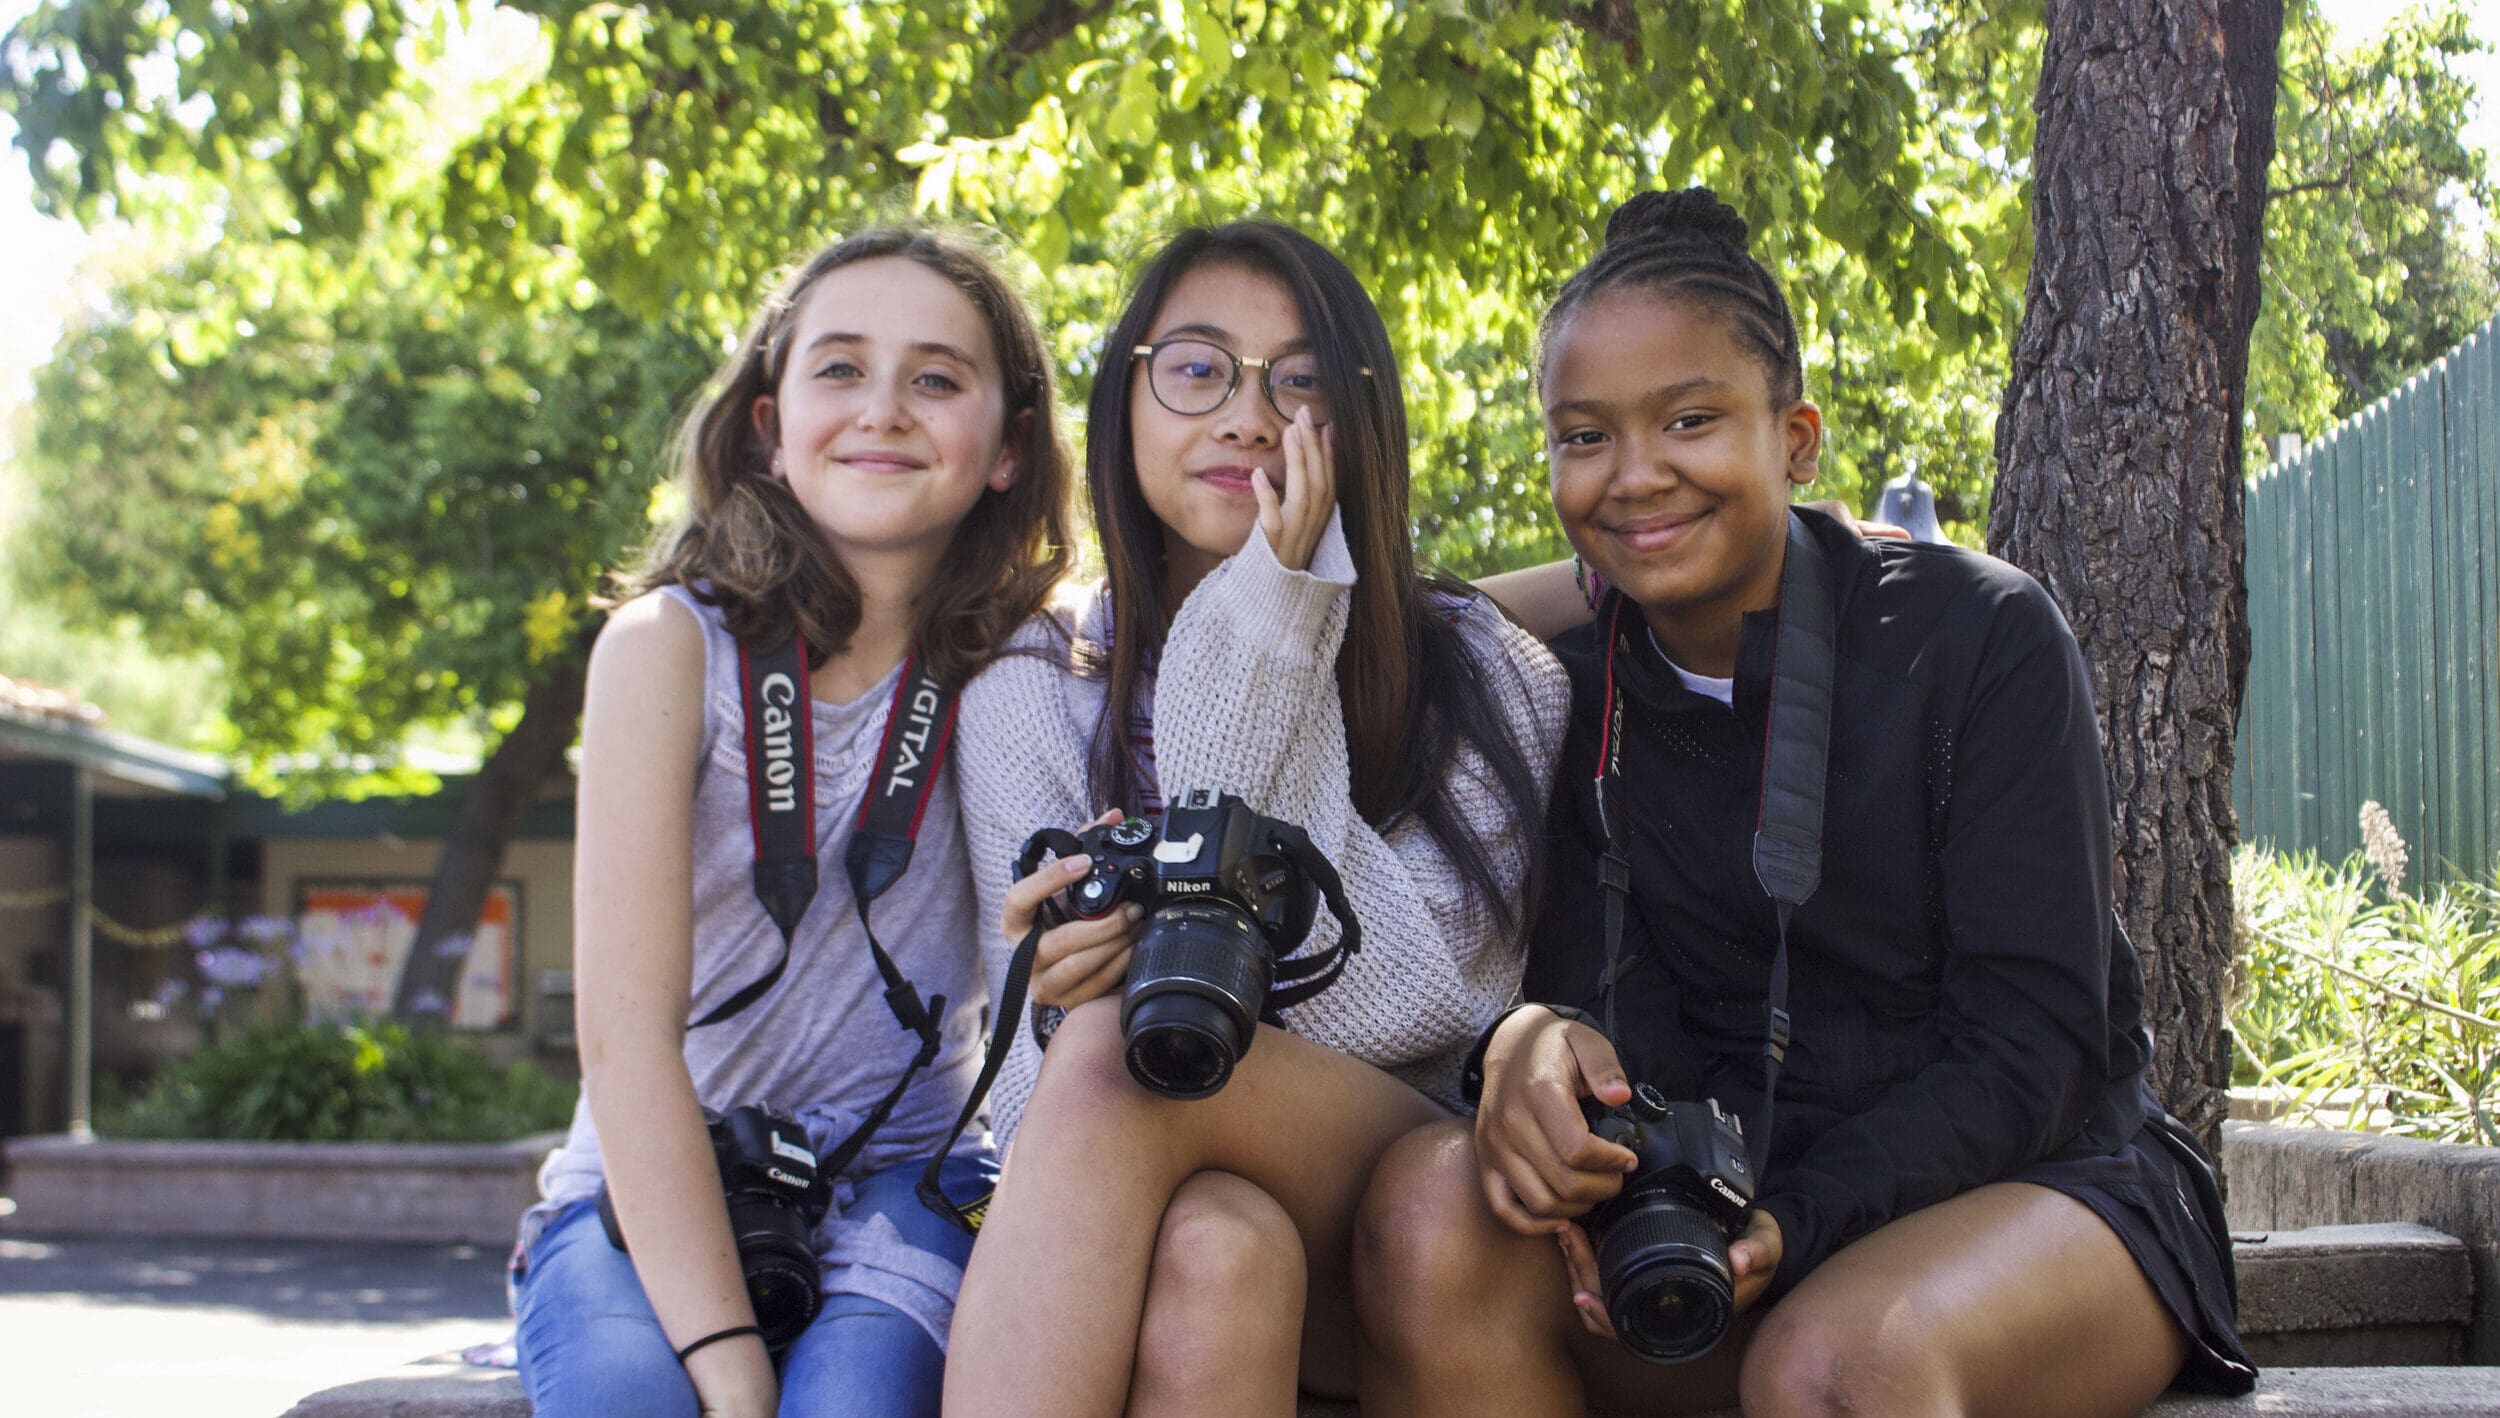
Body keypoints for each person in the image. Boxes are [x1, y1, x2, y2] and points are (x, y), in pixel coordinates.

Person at [1353, 188, 2257, 1418]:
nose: (1634, 475)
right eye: (1582, 436)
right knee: (1423, 1206)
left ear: (1796, 439)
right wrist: (1530, 1049)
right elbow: (1588, 1001)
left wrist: (1803, 1212)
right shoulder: (1569, 697)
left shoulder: (1976, 636)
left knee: (1834, 1365)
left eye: (1689, 419)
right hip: (1721, 1212)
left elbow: (2034, 1046)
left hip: (2047, 1188)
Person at [941, 221, 1571, 1417]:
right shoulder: (1031, 682)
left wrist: (1271, 618)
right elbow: (1030, 1125)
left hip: (1409, 1201)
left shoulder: (1492, 678)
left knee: (1112, 1059)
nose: (1245, 416)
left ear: (1362, 417)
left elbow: (1411, 1005)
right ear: (1123, 395)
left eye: (1298, 381)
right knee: (1215, 1248)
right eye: (1195, 368)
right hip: (1146, 1215)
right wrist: (1059, 989)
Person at [508, 227, 1075, 1418]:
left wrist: (1576, 585)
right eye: (838, 368)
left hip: (910, 1179)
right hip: (657, 1174)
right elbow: (622, 1043)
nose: (883, 409)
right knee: (630, 1400)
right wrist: (728, 1365)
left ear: (1010, 447)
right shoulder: (668, 648)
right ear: (768, 427)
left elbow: (1293, 619)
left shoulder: (1028, 660)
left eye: (936, 376)